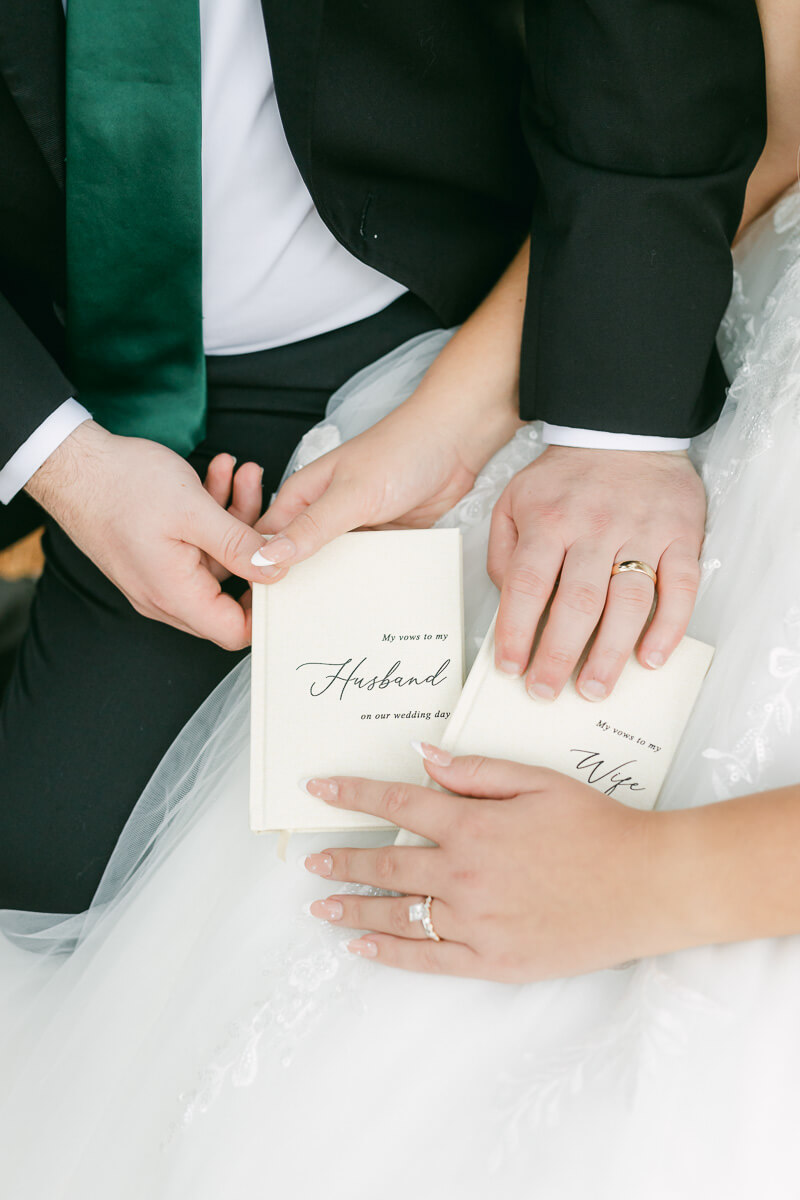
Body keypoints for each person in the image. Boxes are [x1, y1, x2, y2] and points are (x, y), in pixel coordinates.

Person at [1, 2, 798, 1193]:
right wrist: (57, 455)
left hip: (490, 274)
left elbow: (678, 76)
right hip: (128, 367)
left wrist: (654, 879)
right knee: (67, 869)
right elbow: (781, 117)